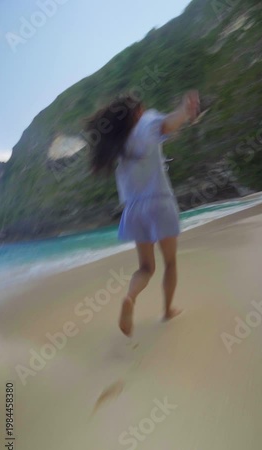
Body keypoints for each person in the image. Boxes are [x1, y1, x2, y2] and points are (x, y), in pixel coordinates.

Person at [85, 91, 200, 336]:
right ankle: (167, 310)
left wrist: (177, 119)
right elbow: (168, 122)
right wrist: (184, 111)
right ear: (137, 111)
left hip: (134, 210)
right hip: (160, 202)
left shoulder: (120, 145)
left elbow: (165, 129)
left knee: (145, 267)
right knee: (170, 262)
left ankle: (130, 297)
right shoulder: (147, 121)